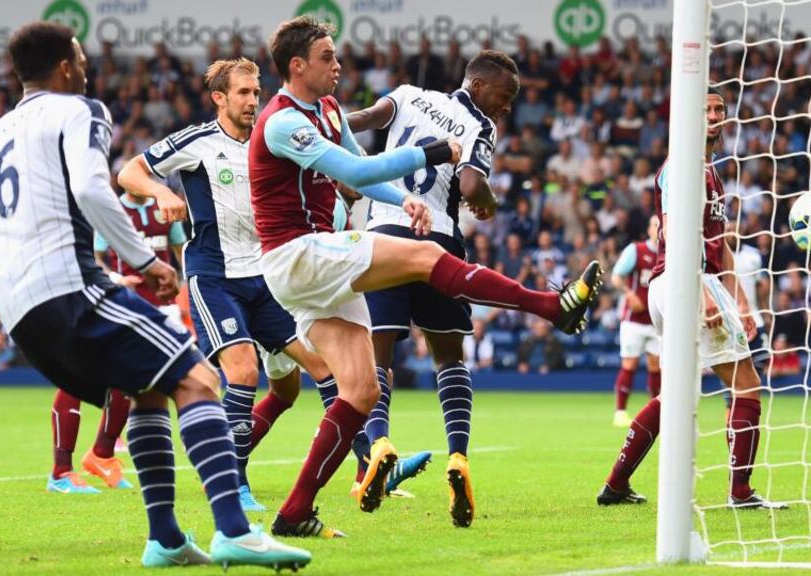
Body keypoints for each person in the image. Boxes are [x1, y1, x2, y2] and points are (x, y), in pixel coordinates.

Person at [0, 22, 310, 569]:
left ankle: (166, 539)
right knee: (198, 379)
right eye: (80, 57)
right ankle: (234, 530)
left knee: (146, 390)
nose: (85, 66)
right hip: (71, 289)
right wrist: (149, 263)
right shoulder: (81, 111)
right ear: (64, 67)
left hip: (20, 317)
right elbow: (89, 188)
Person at [249, 16, 602, 538]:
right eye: (327, 57)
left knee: (362, 390)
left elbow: (362, 163)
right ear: (297, 66)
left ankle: (296, 510)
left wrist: (404, 198)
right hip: (297, 254)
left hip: (318, 263)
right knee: (423, 263)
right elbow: (354, 175)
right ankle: (550, 306)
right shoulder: (280, 121)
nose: (338, 65)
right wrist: (433, 152)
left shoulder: (326, 109)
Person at [117, 57, 387, 513]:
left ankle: (371, 464)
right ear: (219, 98)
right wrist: (163, 192)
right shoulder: (197, 141)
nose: (252, 100)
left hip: (266, 277)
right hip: (215, 276)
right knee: (242, 372)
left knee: (323, 368)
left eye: (256, 92)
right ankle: (232, 482)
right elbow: (130, 171)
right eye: (242, 93)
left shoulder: (270, 138)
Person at [344, 50, 553, 527]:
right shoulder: (480, 125)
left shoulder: (406, 95)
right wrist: (491, 204)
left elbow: (357, 121)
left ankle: (378, 444)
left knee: (378, 359)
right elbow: (474, 185)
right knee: (449, 358)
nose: (506, 107)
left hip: (383, 238)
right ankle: (458, 457)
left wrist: (323, 132)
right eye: (504, 96)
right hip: (436, 244)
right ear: (478, 85)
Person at [596, 88, 786, 510]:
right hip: (686, 281)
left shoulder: (709, 171)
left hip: (675, 286)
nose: (716, 115)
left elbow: (724, 247)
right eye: (707, 109)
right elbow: (681, 231)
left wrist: (743, 302)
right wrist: (701, 291)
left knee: (676, 394)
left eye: (720, 108)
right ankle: (741, 492)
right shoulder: (683, 167)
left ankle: (615, 484)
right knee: (747, 387)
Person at [44, 185, 190, 495]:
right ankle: (61, 470)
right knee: (75, 376)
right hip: (92, 299)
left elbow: (178, 251)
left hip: (141, 306)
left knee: (133, 381)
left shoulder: (155, 211)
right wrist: (115, 279)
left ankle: (102, 454)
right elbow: (94, 259)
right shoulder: (85, 209)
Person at [609, 216, 661, 428]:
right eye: (655, 225)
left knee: (656, 366)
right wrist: (629, 295)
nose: (659, 229)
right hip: (634, 321)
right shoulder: (636, 250)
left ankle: (656, 411)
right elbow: (616, 276)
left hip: (658, 321)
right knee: (629, 363)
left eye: (662, 225)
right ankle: (620, 412)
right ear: (649, 229)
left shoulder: (671, 254)